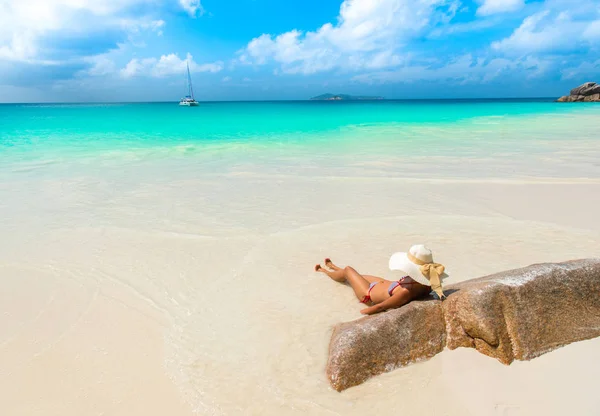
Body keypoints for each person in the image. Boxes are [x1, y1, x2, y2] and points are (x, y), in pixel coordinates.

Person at [315, 244, 448, 315]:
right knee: (355, 275)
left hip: (368, 293)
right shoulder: (427, 284)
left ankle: (326, 270)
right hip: (383, 285)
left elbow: (381, 306)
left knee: (349, 271)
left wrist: (359, 314)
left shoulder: (405, 292)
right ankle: (337, 268)